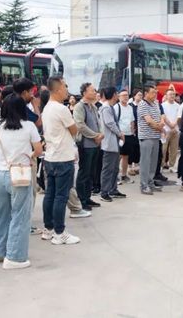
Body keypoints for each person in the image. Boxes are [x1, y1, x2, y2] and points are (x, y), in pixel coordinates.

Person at [0, 94, 43, 268]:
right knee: (20, 215)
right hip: (20, 174)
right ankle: (14, 257)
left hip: (0, 173)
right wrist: (29, 155)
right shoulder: (29, 126)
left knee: (0, 213)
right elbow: (38, 149)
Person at [41, 76, 81, 244]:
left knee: (50, 194)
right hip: (63, 157)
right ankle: (59, 232)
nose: (67, 90)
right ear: (57, 89)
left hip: (50, 157)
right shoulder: (61, 109)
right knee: (61, 196)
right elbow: (74, 129)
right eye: (65, 87)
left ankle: (48, 229)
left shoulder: (46, 108)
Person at [73, 82, 103, 210]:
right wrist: (95, 136)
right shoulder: (79, 107)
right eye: (92, 90)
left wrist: (100, 134)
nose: (95, 92)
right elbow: (80, 125)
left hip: (96, 144)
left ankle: (87, 197)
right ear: (84, 93)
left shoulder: (93, 106)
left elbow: (99, 122)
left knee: (91, 173)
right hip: (86, 145)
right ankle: (81, 200)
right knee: (84, 173)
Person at [98, 87, 125, 202]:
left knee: (114, 168)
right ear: (114, 95)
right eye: (117, 93)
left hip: (114, 142)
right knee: (108, 168)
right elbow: (110, 123)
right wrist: (120, 133)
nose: (118, 95)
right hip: (109, 143)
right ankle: (104, 192)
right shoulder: (106, 108)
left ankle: (113, 189)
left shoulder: (110, 107)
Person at [137, 85, 165, 195]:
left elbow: (161, 115)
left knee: (153, 162)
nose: (155, 94)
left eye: (156, 92)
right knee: (145, 162)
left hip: (155, 136)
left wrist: (161, 123)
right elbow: (149, 121)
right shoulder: (142, 104)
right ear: (146, 94)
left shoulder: (155, 103)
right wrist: (160, 127)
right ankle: (144, 185)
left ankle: (150, 182)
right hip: (146, 137)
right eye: (153, 92)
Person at [114, 89, 136, 184]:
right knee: (117, 156)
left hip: (129, 134)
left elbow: (132, 120)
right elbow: (114, 122)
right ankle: (115, 176)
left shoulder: (130, 107)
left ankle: (124, 175)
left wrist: (132, 131)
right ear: (119, 97)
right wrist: (118, 133)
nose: (125, 97)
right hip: (120, 135)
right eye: (123, 95)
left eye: (127, 95)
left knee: (126, 156)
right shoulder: (116, 107)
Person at [161, 89, 180, 172]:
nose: (172, 96)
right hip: (165, 130)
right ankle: (161, 165)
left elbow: (179, 117)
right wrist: (170, 125)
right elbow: (163, 117)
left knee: (174, 149)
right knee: (163, 149)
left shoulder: (178, 106)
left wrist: (174, 125)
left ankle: (172, 165)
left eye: (173, 94)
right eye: (170, 94)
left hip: (176, 130)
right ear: (166, 96)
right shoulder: (163, 105)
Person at [127, 89, 142, 175]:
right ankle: (129, 166)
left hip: (141, 130)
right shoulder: (130, 106)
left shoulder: (142, 105)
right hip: (132, 129)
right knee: (131, 148)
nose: (140, 96)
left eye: (141, 95)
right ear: (134, 96)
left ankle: (136, 165)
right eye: (138, 95)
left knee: (138, 147)